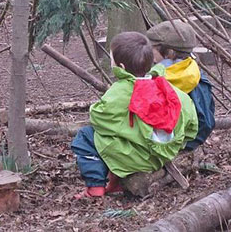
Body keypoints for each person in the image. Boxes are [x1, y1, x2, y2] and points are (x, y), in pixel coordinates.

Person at [71, 32, 198, 198]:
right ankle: (116, 180)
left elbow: (98, 119)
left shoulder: (122, 91)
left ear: (121, 67)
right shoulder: (168, 88)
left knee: (86, 137)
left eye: (112, 59)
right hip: (163, 155)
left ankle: (95, 186)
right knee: (125, 134)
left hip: (137, 158)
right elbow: (192, 124)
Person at [146, 21, 215, 150]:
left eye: (153, 49)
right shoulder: (195, 73)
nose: (150, 54)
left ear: (170, 53)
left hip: (166, 146)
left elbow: (204, 122)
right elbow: (207, 121)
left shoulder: (162, 79)